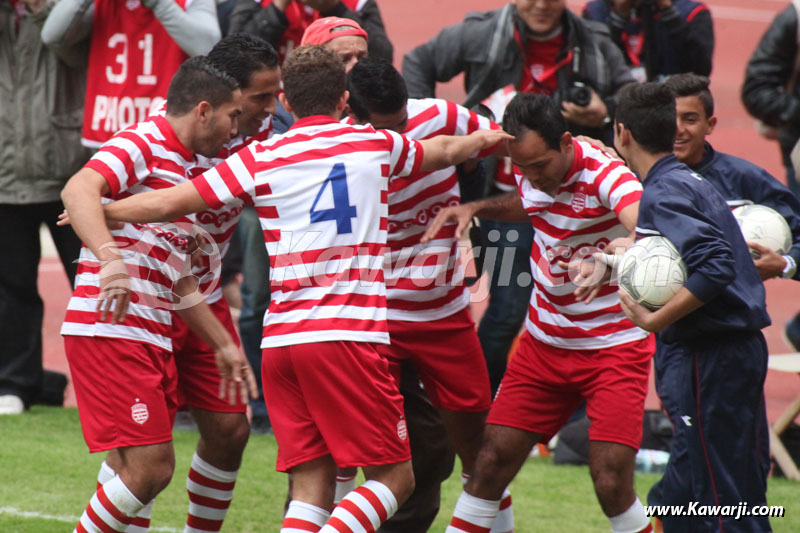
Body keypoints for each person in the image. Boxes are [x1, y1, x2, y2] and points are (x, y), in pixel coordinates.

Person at [88, 45, 512, 531]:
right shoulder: (374, 144)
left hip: (282, 345)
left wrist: (107, 210)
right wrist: (497, 136)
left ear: (286, 98)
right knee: (396, 478)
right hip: (349, 335)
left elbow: (169, 202)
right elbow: (448, 149)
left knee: (313, 487)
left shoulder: (261, 156)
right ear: (343, 100)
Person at [423, 92, 654, 533]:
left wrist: (606, 262)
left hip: (614, 348)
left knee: (610, 481)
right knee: (489, 464)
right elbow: (528, 201)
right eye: (522, 168)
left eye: (540, 166)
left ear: (567, 142)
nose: (533, 178)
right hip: (543, 346)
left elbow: (650, 230)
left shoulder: (606, 174)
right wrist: (478, 207)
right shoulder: (534, 171)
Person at [84, 34, 283, 533]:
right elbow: (86, 188)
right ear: (218, 100)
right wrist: (107, 246)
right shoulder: (160, 136)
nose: (271, 108)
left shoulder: (261, 142)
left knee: (231, 428)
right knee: (145, 455)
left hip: (198, 297)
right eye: (260, 97)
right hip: (137, 304)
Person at [403, 0, 636, 393]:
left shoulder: (594, 42)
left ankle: (571, 412)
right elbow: (417, 62)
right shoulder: (482, 33)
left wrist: (605, 114)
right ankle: (480, 398)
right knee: (509, 310)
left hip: (574, 208)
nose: (542, 5)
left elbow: (633, 98)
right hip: (503, 197)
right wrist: (432, 131)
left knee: (576, 300)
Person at [346, 59, 513, 532]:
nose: (406, 140)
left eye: (404, 124)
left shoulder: (439, 117)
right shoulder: (336, 148)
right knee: (357, 455)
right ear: (355, 120)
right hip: (371, 320)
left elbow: (508, 142)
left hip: (443, 314)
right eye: (390, 131)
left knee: (482, 449)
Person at [613, 81, 772, 533]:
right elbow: (681, 262)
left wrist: (653, 320)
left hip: (712, 355)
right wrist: (612, 264)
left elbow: (716, 264)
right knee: (699, 493)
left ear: (622, 134)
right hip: (731, 352)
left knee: (719, 499)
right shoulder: (689, 180)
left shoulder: (663, 193)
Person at [0, 0, 93, 415]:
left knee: (91, 285)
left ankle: (102, 384)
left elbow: (75, 50)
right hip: (6, 174)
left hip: (70, 174)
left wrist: (41, 11)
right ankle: (16, 384)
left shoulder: (67, 13)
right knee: (12, 288)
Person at [41, 0, 221, 147]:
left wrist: (159, 4)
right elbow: (52, 35)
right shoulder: (101, 4)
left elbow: (209, 46)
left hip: (164, 136)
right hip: (109, 131)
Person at [582, 0, 713, 83]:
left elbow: (701, 71)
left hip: (673, 103)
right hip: (617, 103)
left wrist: (669, 13)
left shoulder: (691, 13)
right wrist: (617, 19)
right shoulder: (596, 12)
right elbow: (593, 70)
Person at [228, 0, 392, 64]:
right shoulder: (258, 2)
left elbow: (382, 56)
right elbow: (236, 56)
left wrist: (336, 9)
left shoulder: (357, 3)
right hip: (276, 100)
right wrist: (277, 9)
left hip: (345, 97)